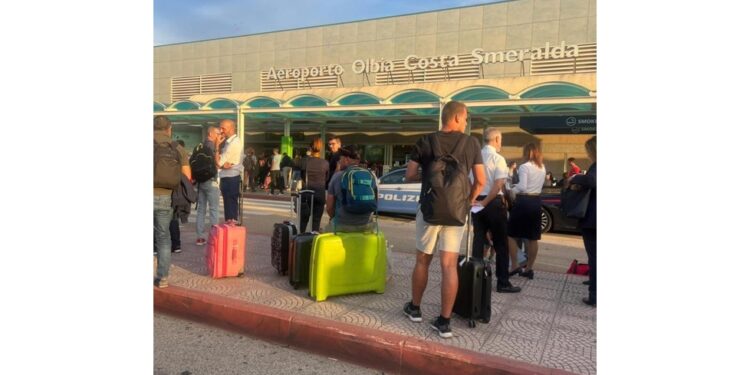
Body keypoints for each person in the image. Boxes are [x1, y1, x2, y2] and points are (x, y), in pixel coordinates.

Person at [402, 101, 485, 339]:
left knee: (422, 260)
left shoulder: (426, 141)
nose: (467, 122)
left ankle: (415, 309)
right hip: (456, 211)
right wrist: (467, 201)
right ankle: (444, 321)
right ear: (457, 118)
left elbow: (409, 175)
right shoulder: (471, 143)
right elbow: (480, 180)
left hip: (429, 208)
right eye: (466, 117)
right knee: (449, 265)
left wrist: (430, 175)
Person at [471, 128, 521, 294]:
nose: (501, 143)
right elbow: (498, 184)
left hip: (476, 202)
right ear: (497, 139)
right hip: (492, 203)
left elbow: (470, 182)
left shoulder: (475, 157)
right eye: (501, 140)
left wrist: (475, 201)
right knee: (501, 244)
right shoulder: (498, 158)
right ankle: (503, 282)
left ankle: (475, 281)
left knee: (478, 241)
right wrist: (485, 202)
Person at [153, 115, 191, 288]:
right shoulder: (177, 148)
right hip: (166, 197)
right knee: (163, 237)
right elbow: (187, 176)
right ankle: (162, 278)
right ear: (169, 129)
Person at [507, 143, 546, 280]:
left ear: (527, 152)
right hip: (536, 202)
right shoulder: (542, 167)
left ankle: (515, 265)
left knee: (510, 234)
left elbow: (522, 187)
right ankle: (529, 268)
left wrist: (511, 190)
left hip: (524, 202)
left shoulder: (525, 167)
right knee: (533, 238)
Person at [567, 136, 596, 306]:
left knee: (594, 254)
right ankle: (593, 281)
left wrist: (575, 178)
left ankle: (594, 294)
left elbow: (592, 181)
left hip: (593, 218)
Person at [324, 145, 376, 233]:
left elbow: (329, 208)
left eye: (340, 159)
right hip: (366, 225)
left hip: (342, 224)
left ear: (346, 159)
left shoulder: (337, 176)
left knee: (324, 234)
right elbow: (375, 200)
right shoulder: (370, 175)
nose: (339, 161)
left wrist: (335, 218)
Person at [195, 126, 222, 245]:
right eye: (217, 133)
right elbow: (217, 164)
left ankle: (200, 237)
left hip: (200, 182)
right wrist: (218, 147)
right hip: (211, 181)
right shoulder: (211, 146)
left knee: (201, 210)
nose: (219, 136)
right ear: (211, 133)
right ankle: (214, 237)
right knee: (214, 209)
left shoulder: (199, 145)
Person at [299, 138, 329, 232]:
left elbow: (302, 176)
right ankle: (313, 241)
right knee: (316, 222)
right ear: (321, 150)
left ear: (310, 148)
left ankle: (301, 240)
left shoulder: (304, 161)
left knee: (303, 221)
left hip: (307, 193)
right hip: (320, 194)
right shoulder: (325, 163)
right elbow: (326, 179)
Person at [216, 119, 243, 222]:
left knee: (230, 205)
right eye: (220, 128)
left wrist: (217, 145)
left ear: (232, 128)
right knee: (228, 204)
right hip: (227, 176)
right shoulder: (228, 142)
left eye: (223, 128)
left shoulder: (234, 143)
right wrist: (221, 165)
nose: (221, 130)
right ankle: (230, 225)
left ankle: (232, 226)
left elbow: (219, 162)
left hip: (231, 177)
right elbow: (220, 163)